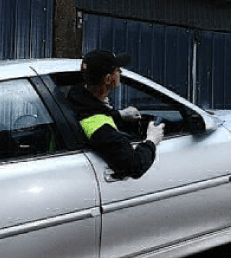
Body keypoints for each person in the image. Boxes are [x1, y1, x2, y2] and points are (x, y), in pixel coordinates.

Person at [66, 49, 164, 179]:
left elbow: (95, 112)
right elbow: (134, 166)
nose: (121, 72)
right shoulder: (100, 128)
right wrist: (152, 139)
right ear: (108, 79)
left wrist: (119, 115)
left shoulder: (75, 95)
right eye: (117, 70)